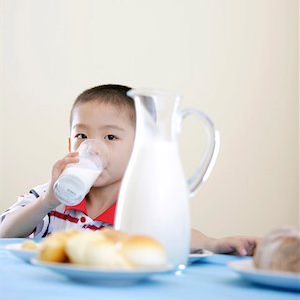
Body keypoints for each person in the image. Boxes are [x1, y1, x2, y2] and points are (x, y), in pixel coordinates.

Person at [0, 84, 259, 255]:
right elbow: (4, 232)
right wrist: (46, 202)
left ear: (139, 149)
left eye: (110, 137)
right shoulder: (52, 197)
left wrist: (214, 244)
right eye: (81, 135)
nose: (92, 147)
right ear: (70, 144)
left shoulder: (138, 206)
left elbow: (175, 234)